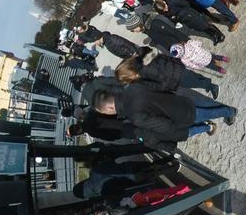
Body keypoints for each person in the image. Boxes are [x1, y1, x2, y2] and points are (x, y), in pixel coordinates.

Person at [93, 84, 237, 146]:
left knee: (207, 113)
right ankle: (226, 111)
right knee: (204, 107)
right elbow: (158, 87)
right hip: (178, 99)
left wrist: (177, 129)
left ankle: (230, 112)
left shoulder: (133, 115)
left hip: (180, 115)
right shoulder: (131, 87)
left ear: (109, 108)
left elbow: (163, 125)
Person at [115, 49, 220, 100]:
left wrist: (163, 89)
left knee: (194, 82)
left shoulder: (144, 71)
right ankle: (207, 82)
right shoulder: (139, 58)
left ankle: (212, 86)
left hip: (176, 76)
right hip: (175, 66)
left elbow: (162, 79)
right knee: (194, 77)